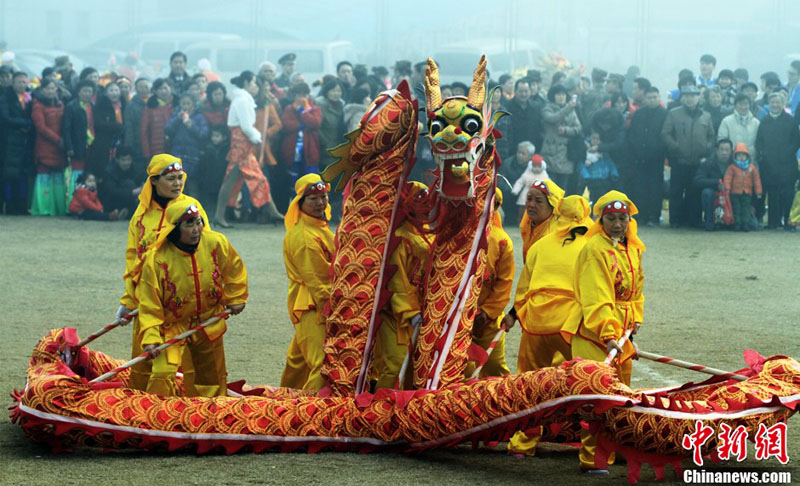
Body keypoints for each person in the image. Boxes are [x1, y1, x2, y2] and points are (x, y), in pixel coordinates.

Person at [562, 190, 645, 474]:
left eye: (623, 218)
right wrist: (608, 333)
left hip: (620, 334)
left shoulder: (631, 247)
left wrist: (632, 324)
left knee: (621, 396)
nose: (618, 224)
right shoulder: (594, 248)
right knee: (596, 396)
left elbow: (636, 292)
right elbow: (596, 297)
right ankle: (592, 459)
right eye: (611, 219)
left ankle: (617, 449)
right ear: (601, 220)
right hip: (593, 333)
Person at [505, 195, 592, 458]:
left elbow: (522, 291)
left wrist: (516, 315)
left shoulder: (539, 246)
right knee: (587, 386)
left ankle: (522, 444)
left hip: (536, 326)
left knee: (528, 386)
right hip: (569, 327)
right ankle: (592, 455)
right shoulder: (591, 247)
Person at [117, 154, 210, 392]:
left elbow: (206, 251)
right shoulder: (141, 215)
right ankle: (136, 412)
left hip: (184, 302)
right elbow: (133, 260)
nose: (177, 183)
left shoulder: (193, 208)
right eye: (171, 179)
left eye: (180, 178)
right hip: (148, 300)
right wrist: (128, 300)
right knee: (142, 362)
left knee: (191, 366)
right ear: (154, 181)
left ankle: (189, 416)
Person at [137, 198, 248, 397]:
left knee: (212, 376)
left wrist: (236, 297)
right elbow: (149, 303)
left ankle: (210, 417)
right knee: (162, 373)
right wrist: (151, 336)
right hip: (173, 325)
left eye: (198, 222)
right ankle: (156, 416)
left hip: (209, 320)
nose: (197, 228)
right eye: (189, 224)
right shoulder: (156, 259)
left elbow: (234, 269)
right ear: (175, 228)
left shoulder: (215, 242)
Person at [280, 174, 334, 391]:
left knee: (298, 362)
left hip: (311, 300)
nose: (320, 202)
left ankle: (280, 403)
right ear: (300, 202)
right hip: (312, 304)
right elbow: (318, 281)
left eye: (323, 196)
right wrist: (332, 309)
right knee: (322, 364)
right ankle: (309, 414)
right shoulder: (305, 237)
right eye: (313, 198)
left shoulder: (318, 227)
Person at [373, 181, 430, 389]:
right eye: (420, 202)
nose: (426, 207)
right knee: (396, 364)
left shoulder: (426, 233)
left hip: (422, 311)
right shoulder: (399, 237)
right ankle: (381, 410)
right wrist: (411, 311)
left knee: (417, 367)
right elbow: (397, 280)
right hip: (399, 313)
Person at [214, 71, 281, 228]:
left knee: (251, 178)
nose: (256, 87)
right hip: (242, 143)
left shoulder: (241, 99)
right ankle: (219, 216)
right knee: (237, 179)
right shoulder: (243, 100)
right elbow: (246, 126)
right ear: (245, 83)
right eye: (253, 83)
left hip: (241, 143)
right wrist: (256, 138)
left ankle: (273, 211)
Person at [467, 187, 514, 378]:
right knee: (463, 367)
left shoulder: (502, 241)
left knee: (494, 367)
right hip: (458, 317)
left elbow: (504, 283)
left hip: (489, 319)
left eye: (493, 203)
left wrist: (486, 313)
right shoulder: (460, 234)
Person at [661, 85, 715, 228]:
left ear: (698, 98)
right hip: (679, 160)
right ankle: (675, 220)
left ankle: (695, 220)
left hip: (698, 161)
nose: (690, 99)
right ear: (683, 98)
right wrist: (675, 147)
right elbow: (666, 133)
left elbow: (711, 136)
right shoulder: (674, 113)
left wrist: (706, 148)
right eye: (687, 96)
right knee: (677, 191)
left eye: (693, 96)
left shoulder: (706, 115)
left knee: (695, 192)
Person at [756, 92, 800, 230]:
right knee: (773, 193)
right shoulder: (764, 121)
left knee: (787, 193)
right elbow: (759, 141)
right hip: (769, 165)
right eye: (772, 102)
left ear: (783, 104)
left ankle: (788, 222)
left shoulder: (790, 121)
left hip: (787, 164)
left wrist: (787, 153)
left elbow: (796, 141)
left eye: (778, 102)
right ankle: (772, 223)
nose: (775, 105)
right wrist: (763, 154)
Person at [626, 86, 667, 226]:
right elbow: (632, 134)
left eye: (655, 97)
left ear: (659, 98)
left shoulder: (664, 114)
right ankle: (641, 215)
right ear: (646, 99)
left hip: (656, 158)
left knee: (655, 188)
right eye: (650, 97)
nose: (652, 100)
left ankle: (654, 216)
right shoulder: (639, 113)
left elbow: (665, 135)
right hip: (639, 157)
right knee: (640, 187)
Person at [30, 78, 66, 216]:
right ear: (42, 90)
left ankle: (58, 208)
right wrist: (58, 140)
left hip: (59, 147)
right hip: (45, 146)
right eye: (48, 88)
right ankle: (43, 208)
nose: (51, 91)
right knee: (43, 177)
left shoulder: (61, 105)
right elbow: (41, 127)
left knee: (58, 178)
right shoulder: (37, 105)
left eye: (53, 88)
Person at [0, 71, 32, 214]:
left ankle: (19, 206)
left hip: (24, 142)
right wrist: (25, 123)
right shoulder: (5, 98)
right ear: (12, 83)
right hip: (8, 141)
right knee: (7, 174)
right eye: (19, 82)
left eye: (24, 82)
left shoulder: (29, 98)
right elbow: (5, 118)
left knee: (21, 175)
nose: (22, 85)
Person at [165, 94, 209, 196]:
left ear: (193, 105)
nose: (185, 106)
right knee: (177, 182)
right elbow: (167, 129)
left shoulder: (199, 117)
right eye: (183, 103)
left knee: (192, 183)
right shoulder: (176, 116)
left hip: (193, 155)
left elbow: (204, 134)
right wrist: (178, 119)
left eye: (188, 103)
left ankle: (193, 208)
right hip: (177, 153)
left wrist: (191, 125)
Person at [540, 84, 581, 192]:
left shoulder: (571, 110)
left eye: (563, 94)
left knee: (562, 190)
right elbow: (553, 118)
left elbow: (578, 128)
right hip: (550, 152)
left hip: (566, 154)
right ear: (553, 96)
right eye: (558, 94)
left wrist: (566, 130)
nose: (561, 97)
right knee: (550, 189)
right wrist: (568, 107)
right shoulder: (547, 108)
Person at [281, 82, 322, 188]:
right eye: (299, 95)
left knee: (311, 181)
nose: (302, 98)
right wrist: (302, 125)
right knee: (294, 182)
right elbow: (286, 125)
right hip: (293, 152)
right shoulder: (289, 109)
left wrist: (303, 112)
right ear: (294, 96)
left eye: (304, 95)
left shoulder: (315, 109)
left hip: (310, 151)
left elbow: (315, 123)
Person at [62, 80, 95, 206]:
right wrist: (69, 146)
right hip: (76, 145)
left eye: (90, 91)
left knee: (86, 173)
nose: (87, 94)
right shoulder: (72, 106)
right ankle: (72, 203)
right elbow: (66, 128)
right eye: (85, 91)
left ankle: (85, 203)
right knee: (76, 175)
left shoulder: (92, 106)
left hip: (90, 145)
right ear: (78, 92)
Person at [693, 139, 734, 231]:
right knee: (707, 193)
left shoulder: (736, 163)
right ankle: (709, 222)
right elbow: (697, 180)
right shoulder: (708, 163)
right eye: (722, 149)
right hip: (714, 194)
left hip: (732, 195)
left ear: (731, 151)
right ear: (717, 150)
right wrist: (716, 183)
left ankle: (734, 222)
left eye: (727, 150)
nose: (724, 152)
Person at [519, 179, 565, 260]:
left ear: (552, 206)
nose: (531, 205)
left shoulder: (553, 236)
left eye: (538, 201)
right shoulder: (528, 225)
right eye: (529, 199)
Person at [88, 82, 125, 176]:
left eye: (116, 90)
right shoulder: (100, 106)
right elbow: (99, 124)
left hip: (120, 141)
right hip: (104, 143)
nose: (114, 93)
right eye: (111, 90)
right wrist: (117, 127)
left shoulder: (123, 105)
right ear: (105, 93)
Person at [724, 143, 762, 232]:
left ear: (747, 156)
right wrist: (727, 188)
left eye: (743, 155)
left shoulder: (752, 168)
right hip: (734, 192)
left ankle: (745, 223)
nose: (741, 157)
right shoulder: (732, 168)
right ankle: (737, 223)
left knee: (746, 209)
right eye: (739, 155)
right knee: (736, 209)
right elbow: (727, 178)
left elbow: (757, 180)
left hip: (747, 193)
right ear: (735, 157)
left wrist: (758, 191)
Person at [504, 79, 543, 159]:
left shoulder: (537, 107)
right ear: (515, 91)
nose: (523, 94)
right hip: (513, 152)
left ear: (530, 91)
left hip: (533, 151)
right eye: (521, 91)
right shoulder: (506, 107)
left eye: (526, 91)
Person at [500, 141, 535, 225]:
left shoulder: (535, 167)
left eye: (523, 154)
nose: (520, 155)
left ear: (530, 156)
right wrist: (513, 189)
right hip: (510, 193)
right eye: (519, 152)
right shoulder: (507, 163)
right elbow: (500, 181)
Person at [717, 94, 759, 164]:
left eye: (746, 104)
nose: (743, 107)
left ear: (749, 105)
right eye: (740, 104)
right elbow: (721, 140)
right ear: (735, 105)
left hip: (751, 162)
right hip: (732, 162)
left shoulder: (756, 123)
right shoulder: (726, 121)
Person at [197, 126, 229, 216]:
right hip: (209, 180)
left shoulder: (227, 150)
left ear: (224, 137)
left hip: (221, 180)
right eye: (213, 136)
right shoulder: (208, 149)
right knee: (209, 201)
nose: (214, 138)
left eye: (217, 136)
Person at [139, 78, 174, 162]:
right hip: (156, 148)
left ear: (171, 88)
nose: (163, 91)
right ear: (155, 91)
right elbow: (144, 132)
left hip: (175, 148)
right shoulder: (150, 107)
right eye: (160, 89)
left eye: (165, 88)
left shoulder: (177, 104)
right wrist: (146, 153)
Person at [581, 130, 620, 204]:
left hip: (604, 179)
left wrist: (614, 173)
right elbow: (582, 166)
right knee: (594, 199)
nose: (595, 141)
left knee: (604, 199)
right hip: (593, 180)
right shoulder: (587, 153)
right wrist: (586, 176)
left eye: (597, 139)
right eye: (593, 138)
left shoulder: (604, 154)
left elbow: (610, 164)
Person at [100, 147, 142, 215]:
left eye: (128, 159)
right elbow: (111, 192)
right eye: (123, 160)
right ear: (117, 160)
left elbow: (142, 178)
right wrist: (132, 192)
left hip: (129, 198)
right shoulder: (109, 172)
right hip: (111, 201)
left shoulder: (135, 168)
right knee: (129, 184)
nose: (126, 163)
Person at [511, 154, 549, 222]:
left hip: (539, 194)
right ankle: (521, 221)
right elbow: (520, 182)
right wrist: (515, 190)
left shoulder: (544, 174)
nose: (537, 168)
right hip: (526, 193)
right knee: (523, 209)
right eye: (535, 166)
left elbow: (549, 184)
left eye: (538, 167)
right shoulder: (527, 173)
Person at [124, 78, 150, 166]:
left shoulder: (153, 103)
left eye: (146, 87)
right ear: (136, 89)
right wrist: (129, 146)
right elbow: (129, 128)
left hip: (152, 143)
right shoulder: (131, 105)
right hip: (137, 144)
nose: (144, 90)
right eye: (141, 87)